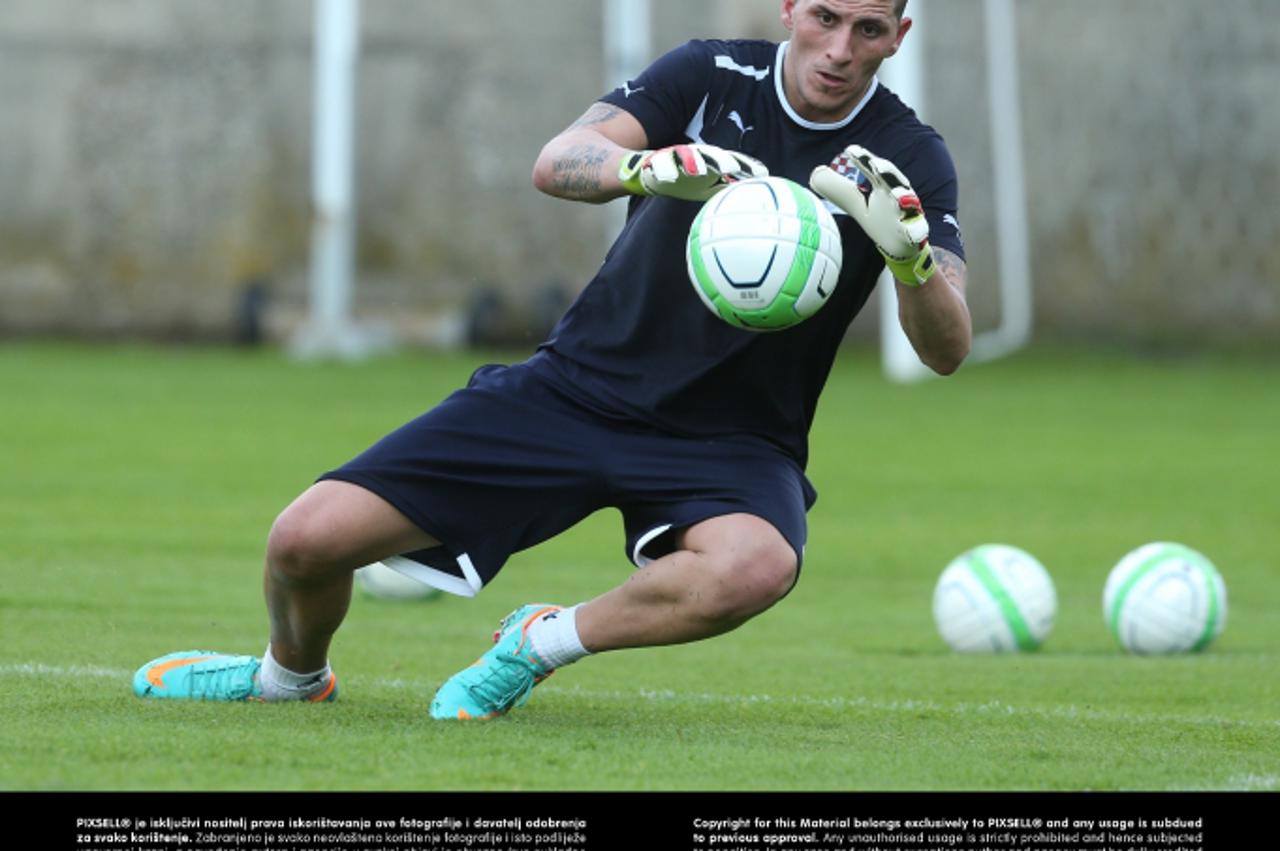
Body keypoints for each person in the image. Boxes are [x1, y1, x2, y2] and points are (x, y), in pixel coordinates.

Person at [133, 0, 971, 718]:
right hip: (575, 390)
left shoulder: (909, 156)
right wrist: (645, 168)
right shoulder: (709, 75)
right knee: (304, 541)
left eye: (868, 29)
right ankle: (289, 679)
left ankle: (541, 641)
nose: (839, 49)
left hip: (735, 441)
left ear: (899, 37)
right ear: (789, 6)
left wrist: (910, 260)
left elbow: (946, 349)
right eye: (824, 16)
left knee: (757, 567)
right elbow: (558, 160)